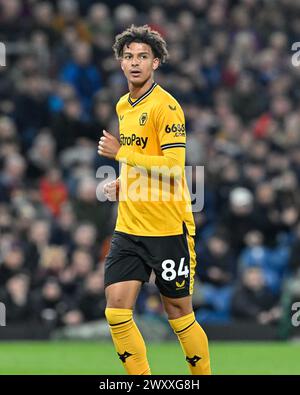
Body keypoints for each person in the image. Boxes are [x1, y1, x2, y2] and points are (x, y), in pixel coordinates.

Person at [98, 25, 211, 375]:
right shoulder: (122, 105)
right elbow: (142, 160)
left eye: (143, 57)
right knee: (116, 310)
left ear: (156, 63)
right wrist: (123, 181)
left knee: (178, 313)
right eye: (129, 57)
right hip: (129, 227)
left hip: (166, 228)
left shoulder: (167, 107)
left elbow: (174, 167)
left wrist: (123, 153)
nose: (135, 63)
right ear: (120, 63)